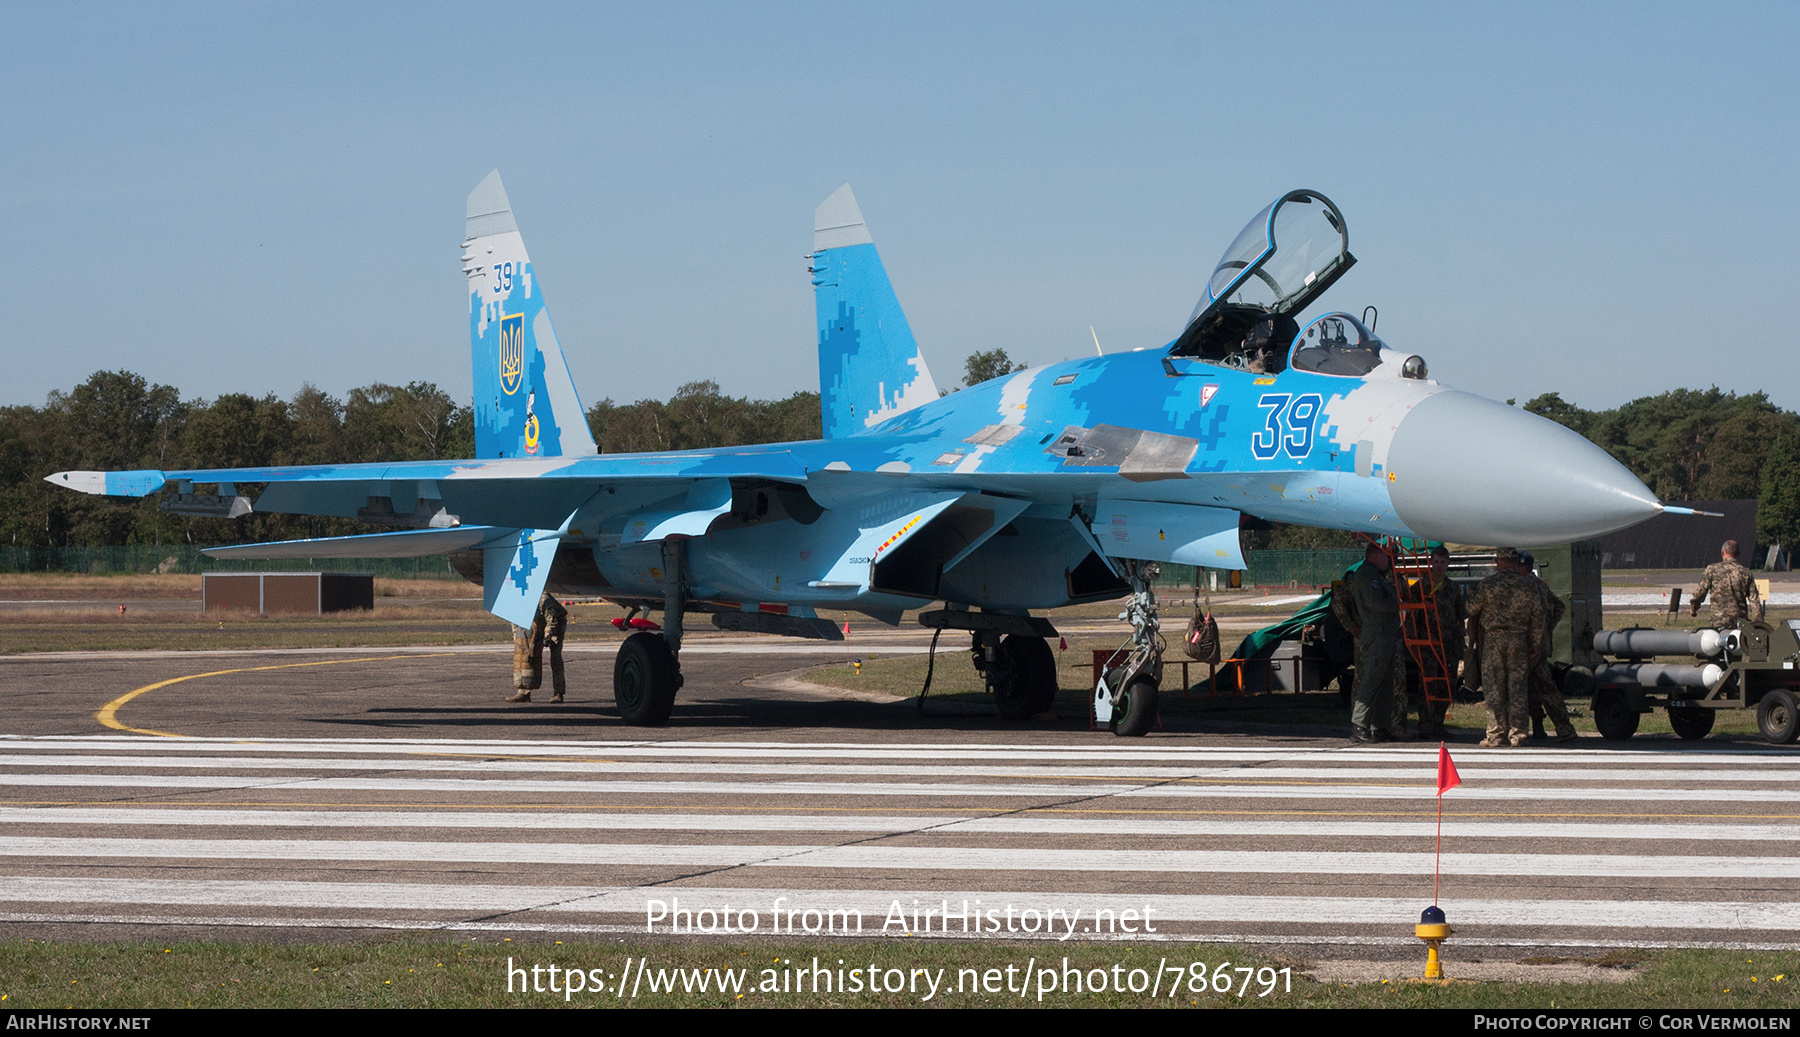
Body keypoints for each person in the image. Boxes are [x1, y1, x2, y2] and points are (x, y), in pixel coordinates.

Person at [1468, 547, 1545, 747]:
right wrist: (1535, 644)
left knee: (1494, 689)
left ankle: (1495, 734)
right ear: (1515, 562)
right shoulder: (1528, 585)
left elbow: (1471, 608)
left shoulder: (1488, 584)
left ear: (1499, 561)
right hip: (1518, 641)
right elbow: (1538, 617)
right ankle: (1518, 734)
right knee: (1517, 689)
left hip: (1494, 641)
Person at [1347, 541, 1407, 743]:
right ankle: (1359, 724)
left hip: (1386, 634)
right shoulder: (1367, 575)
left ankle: (1380, 726)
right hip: (1377, 634)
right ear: (1372, 555)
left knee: (1384, 682)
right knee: (1372, 679)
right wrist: (1397, 604)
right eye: (1384, 555)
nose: (1389, 560)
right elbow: (1374, 603)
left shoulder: (1378, 575)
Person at [1515, 551, 1576, 743]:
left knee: (1522, 689)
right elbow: (1559, 607)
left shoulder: (1524, 587)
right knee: (1544, 688)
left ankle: (1528, 729)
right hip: (1540, 646)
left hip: (1527, 645)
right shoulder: (1540, 585)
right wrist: (1547, 629)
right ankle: (1561, 728)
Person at [1411, 545, 1465, 740]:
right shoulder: (1420, 587)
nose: (1439, 566)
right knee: (1428, 684)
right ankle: (1425, 724)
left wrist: (1461, 643)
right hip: (1428, 644)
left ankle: (1438, 723)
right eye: (1436, 562)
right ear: (1430, 563)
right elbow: (1413, 616)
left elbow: (1460, 615)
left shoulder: (1453, 588)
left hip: (1448, 644)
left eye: (1443, 562)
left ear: (1448, 564)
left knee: (1447, 684)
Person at [507, 592, 569, 703]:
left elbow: (552, 620)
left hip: (556, 623)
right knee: (525, 656)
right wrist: (520, 644)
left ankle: (558, 693)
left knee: (555, 657)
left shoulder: (542, 597)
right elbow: (516, 626)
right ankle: (523, 692)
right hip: (537, 625)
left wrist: (546, 640)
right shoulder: (516, 602)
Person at [1690, 540, 1764, 628]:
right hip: (1740, 623)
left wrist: (1694, 608)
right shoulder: (1745, 573)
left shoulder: (1712, 569)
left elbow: (1701, 592)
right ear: (1738, 554)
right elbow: (1754, 601)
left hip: (1718, 622)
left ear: (1722, 552)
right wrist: (1758, 623)